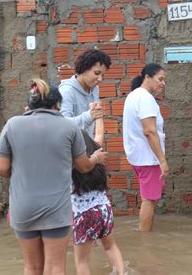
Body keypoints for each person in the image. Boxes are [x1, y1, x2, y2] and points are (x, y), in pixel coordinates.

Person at [0, 78, 108, 274]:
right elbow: (83, 167)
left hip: (23, 207)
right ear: (57, 104)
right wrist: (96, 158)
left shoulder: (12, 125)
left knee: (31, 267)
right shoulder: (69, 127)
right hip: (56, 210)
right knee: (55, 267)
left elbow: (1, 169)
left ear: (29, 104)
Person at [71, 118, 125, 275]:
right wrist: (99, 116)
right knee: (110, 247)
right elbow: (100, 133)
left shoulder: (69, 163)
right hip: (103, 209)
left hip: (83, 214)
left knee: (82, 262)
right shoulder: (97, 153)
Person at [122, 63, 169, 231]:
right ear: (147, 77)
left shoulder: (134, 96)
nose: (163, 83)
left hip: (139, 155)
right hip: (148, 158)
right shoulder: (145, 98)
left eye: (164, 80)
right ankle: (145, 239)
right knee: (149, 199)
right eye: (160, 79)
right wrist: (162, 160)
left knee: (149, 197)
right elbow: (150, 131)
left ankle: (145, 235)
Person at [59, 49, 111, 136]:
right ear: (83, 70)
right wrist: (89, 116)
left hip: (86, 146)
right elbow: (62, 125)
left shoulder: (94, 89)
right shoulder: (66, 91)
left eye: (103, 75)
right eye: (97, 73)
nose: (100, 79)